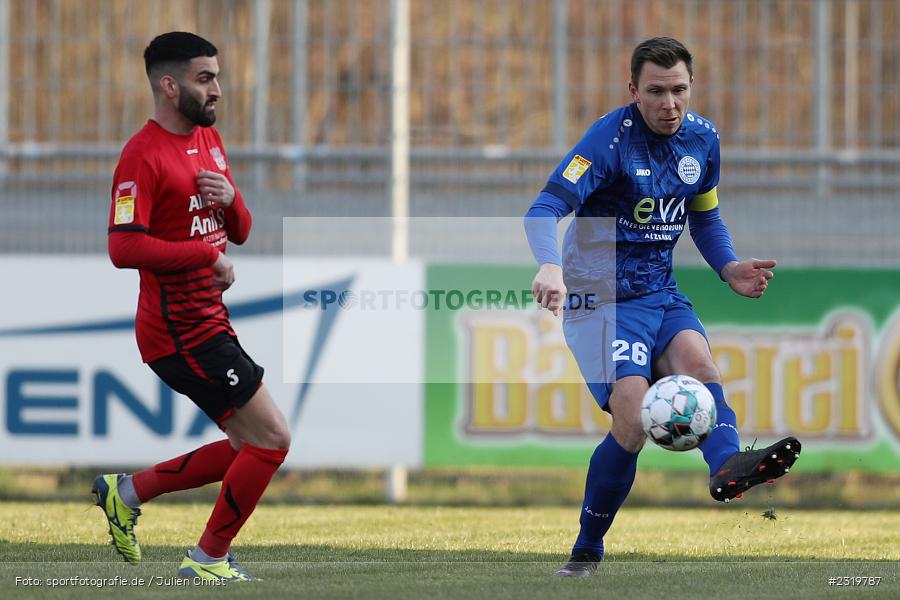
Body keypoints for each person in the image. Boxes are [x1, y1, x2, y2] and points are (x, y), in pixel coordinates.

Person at [524, 37, 801, 577]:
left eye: (679, 90)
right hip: (600, 301)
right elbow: (544, 207)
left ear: (691, 88)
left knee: (701, 366)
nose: (669, 104)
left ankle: (727, 466)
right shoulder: (605, 143)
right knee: (632, 420)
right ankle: (587, 549)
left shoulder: (703, 141)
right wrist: (550, 264)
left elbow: (704, 215)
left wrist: (727, 267)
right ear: (634, 90)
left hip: (660, 292)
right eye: (656, 92)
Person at [94, 32, 290, 582]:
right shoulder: (142, 155)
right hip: (179, 332)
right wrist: (205, 255)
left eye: (217, 77)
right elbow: (122, 247)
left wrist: (233, 201)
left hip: (209, 321)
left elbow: (242, 232)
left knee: (247, 445)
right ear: (169, 84)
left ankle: (126, 491)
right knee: (272, 440)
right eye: (206, 79)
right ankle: (207, 559)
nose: (217, 90)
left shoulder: (209, 141)